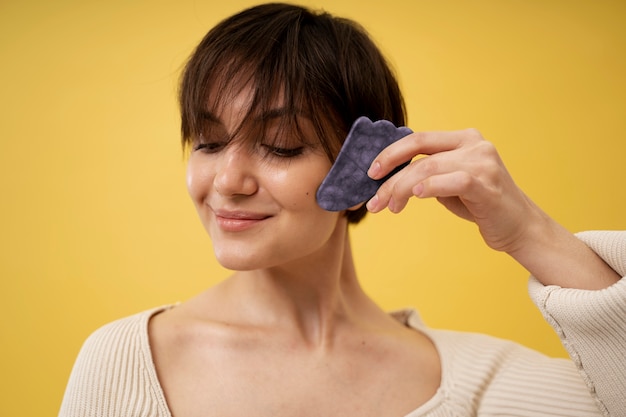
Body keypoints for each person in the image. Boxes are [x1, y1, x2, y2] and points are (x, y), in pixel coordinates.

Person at [59, 3, 625, 416]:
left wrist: (527, 230)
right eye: (208, 142)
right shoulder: (127, 361)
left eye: (281, 146)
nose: (227, 181)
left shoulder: (483, 385)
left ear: (364, 162)